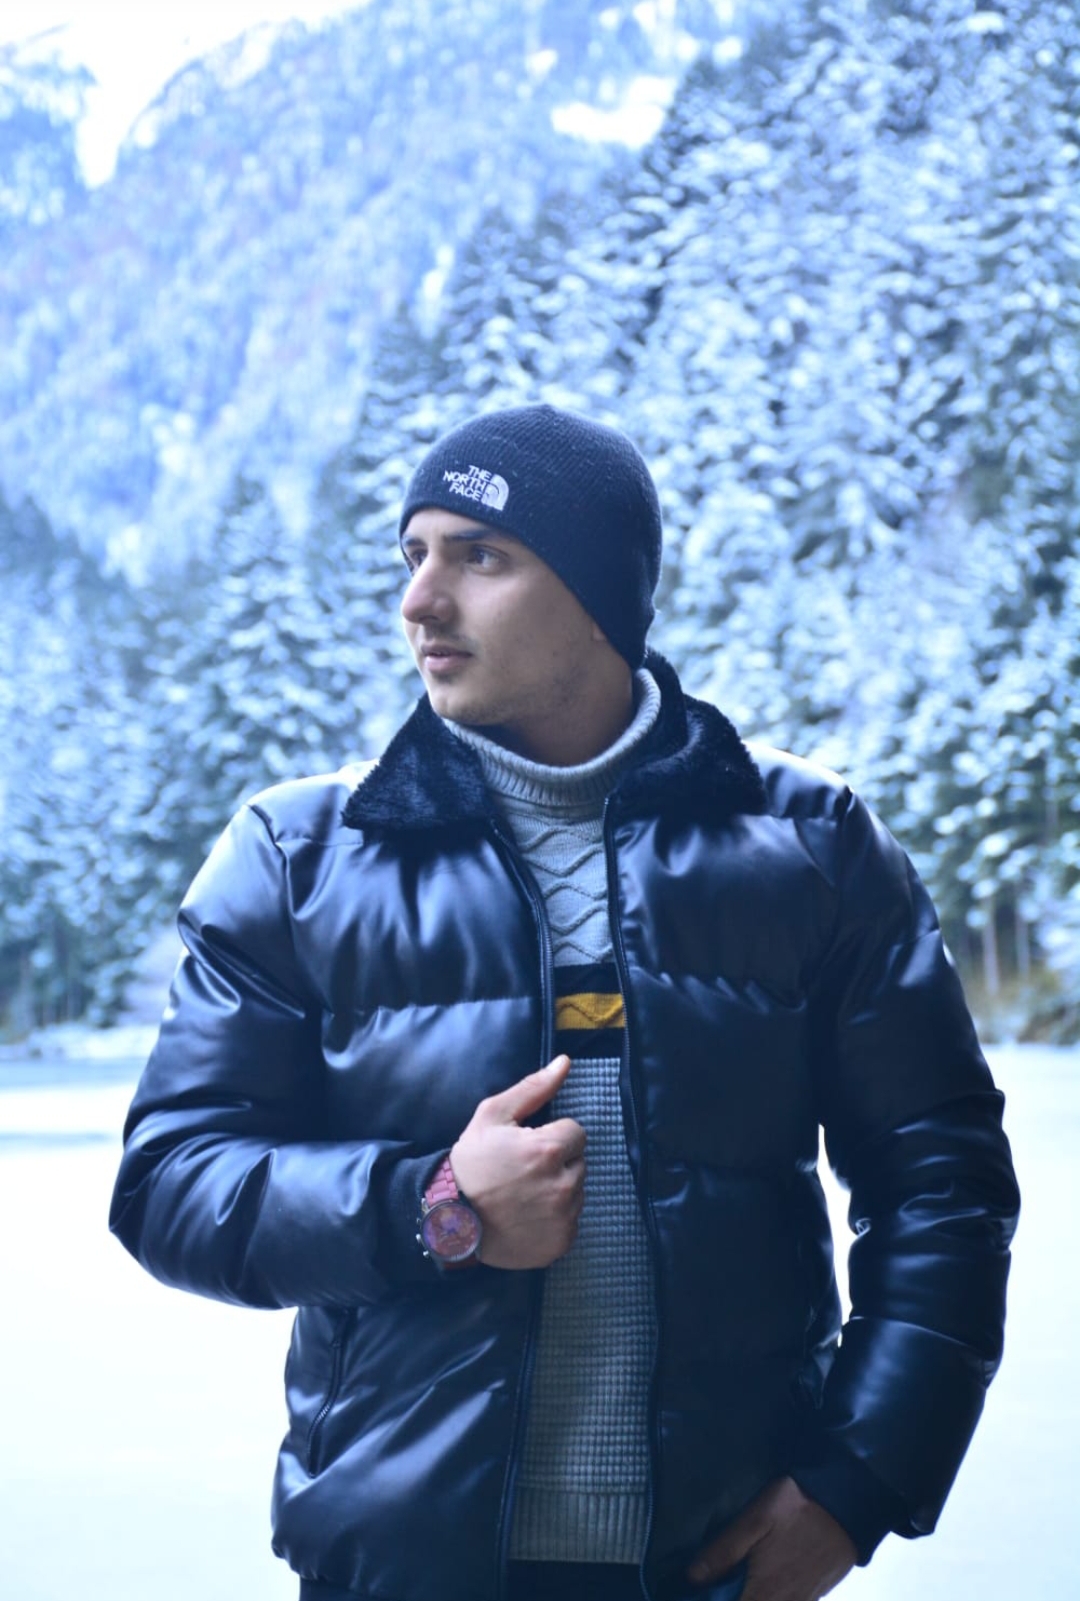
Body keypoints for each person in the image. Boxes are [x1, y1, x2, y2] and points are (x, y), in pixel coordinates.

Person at [110, 404, 1019, 1601]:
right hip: (405, 1564)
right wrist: (434, 1205)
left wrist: (859, 1480)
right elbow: (170, 1180)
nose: (420, 600)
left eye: (479, 555)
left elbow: (943, 1183)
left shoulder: (813, 847)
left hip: (718, 1561)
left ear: (600, 593)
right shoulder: (296, 858)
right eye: (413, 554)